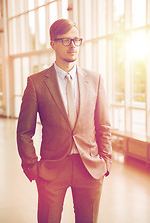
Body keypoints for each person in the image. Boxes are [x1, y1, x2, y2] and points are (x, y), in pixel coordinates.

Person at [17, 18, 112, 223]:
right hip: (52, 169)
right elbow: (24, 131)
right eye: (66, 40)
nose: (73, 46)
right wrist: (32, 166)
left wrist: (106, 161)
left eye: (76, 40)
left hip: (89, 168)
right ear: (53, 44)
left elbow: (103, 125)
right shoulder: (36, 83)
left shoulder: (95, 80)